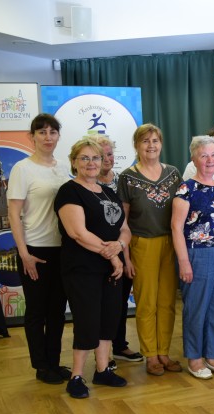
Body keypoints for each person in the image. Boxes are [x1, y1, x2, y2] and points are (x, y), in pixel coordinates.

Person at [55, 137, 130, 398]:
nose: (91, 163)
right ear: (74, 162)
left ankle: (102, 370)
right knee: (87, 321)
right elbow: (77, 232)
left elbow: (124, 228)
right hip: (82, 268)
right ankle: (76, 376)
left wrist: (120, 245)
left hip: (111, 269)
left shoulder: (108, 191)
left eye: (96, 158)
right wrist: (113, 256)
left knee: (108, 319)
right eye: (84, 158)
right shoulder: (69, 191)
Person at [6, 113, 71, 385]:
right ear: (31, 137)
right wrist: (24, 253)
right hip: (34, 249)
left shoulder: (63, 168)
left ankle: (54, 362)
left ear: (58, 136)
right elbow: (13, 214)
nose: (48, 137)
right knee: (36, 312)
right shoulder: (22, 169)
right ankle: (41, 366)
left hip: (62, 249)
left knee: (57, 311)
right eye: (42, 132)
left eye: (52, 132)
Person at [118, 123, 182, 376]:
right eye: (145, 141)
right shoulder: (127, 177)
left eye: (155, 140)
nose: (151, 145)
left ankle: (164, 352)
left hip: (170, 244)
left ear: (161, 144)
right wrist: (126, 257)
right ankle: (151, 355)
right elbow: (122, 221)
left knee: (167, 302)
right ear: (136, 146)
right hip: (141, 244)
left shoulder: (173, 174)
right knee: (146, 303)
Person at [172, 136, 214, 380]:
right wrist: (183, 262)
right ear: (194, 159)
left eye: (213, 154)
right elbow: (176, 228)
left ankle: (212, 354)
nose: (210, 160)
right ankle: (194, 358)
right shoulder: (186, 188)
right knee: (197, 307)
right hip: (197, 254)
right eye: (204, 155)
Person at [95, 135, 143, 366]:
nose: (107, 159)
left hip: (124, 247)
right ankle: (102, 354)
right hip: (98, 251)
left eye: (110, 154)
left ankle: (119, 345)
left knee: (120, 302)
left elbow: (128, 220)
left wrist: (126, 256)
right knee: (102, 304)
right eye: (101, 155)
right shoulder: (86, 183)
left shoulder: (122, 179)